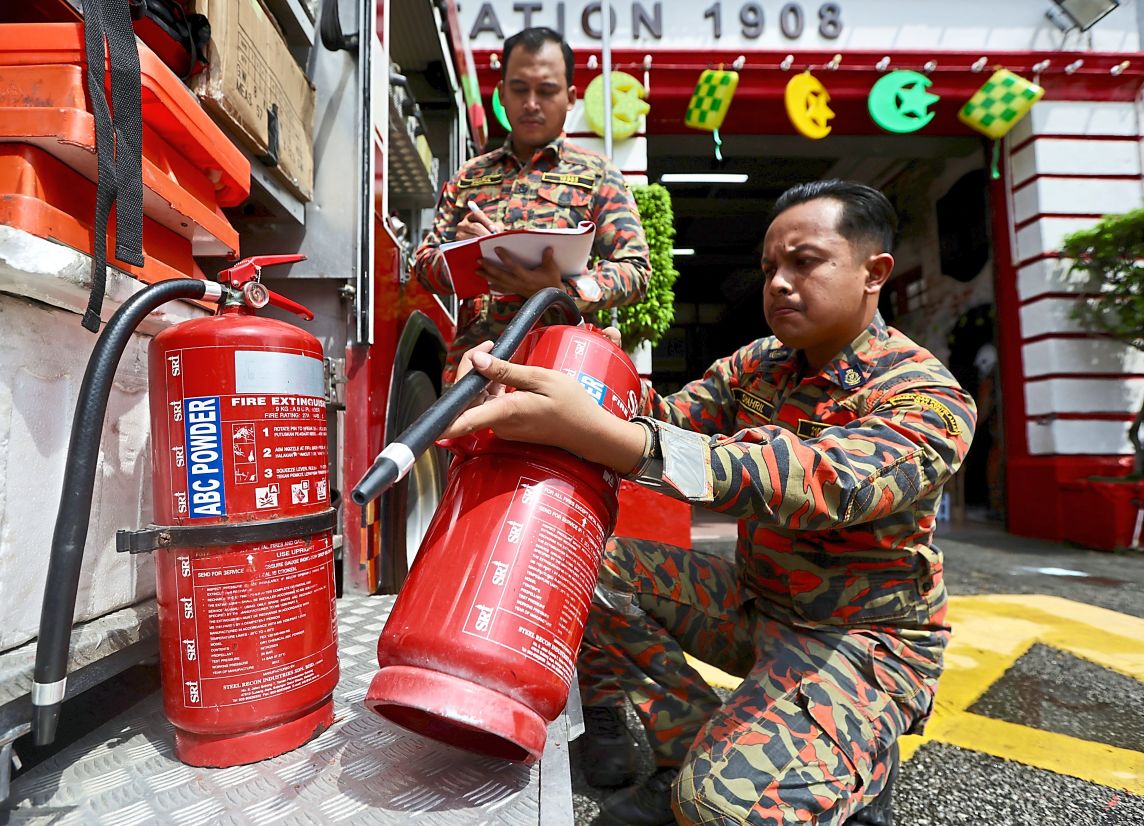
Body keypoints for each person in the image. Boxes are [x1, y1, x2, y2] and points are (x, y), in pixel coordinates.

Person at [442, 180, 977, 825]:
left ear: (874, 272)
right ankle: (687, 750)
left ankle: (847, 764)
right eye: (770, 268)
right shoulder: (760, 367)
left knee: (720, 809)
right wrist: (548, 335)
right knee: (582, 570)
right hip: (757, 604)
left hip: (859, 637)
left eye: (804, 262)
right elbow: (650, 416)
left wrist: (625, 440)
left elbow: (829, 483)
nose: (779, 282)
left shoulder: (925, 394)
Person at [412, 26, 651, 386]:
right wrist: (461, 255)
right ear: (502, 93)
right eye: (520, 89)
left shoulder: (599, 174)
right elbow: (423, 264)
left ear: (571, 97)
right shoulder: (469, 176)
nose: (532, 103)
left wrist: (562, 290)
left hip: (561, 373)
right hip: (474, 372)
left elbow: (635, 271)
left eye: (547, 90)